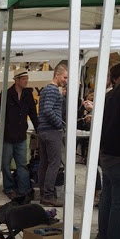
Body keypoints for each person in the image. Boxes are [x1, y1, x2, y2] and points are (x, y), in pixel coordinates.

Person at [0, 70, 38, 200]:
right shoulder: (7, 94)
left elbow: (32, 112)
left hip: (21, 134)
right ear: (16, 80)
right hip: (8, 135)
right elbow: (0, 115)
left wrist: (38, 128)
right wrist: (5, 128)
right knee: (5, 164)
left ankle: (23, 189)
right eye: (23, 79)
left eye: (27, 78)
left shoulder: (28, 94)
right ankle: (8, 188)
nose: (26, 81)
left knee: (22, 164)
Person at [98, 64, 120, 239]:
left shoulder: (109, 95)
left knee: (107, 198)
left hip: (107, 152)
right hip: (118, 153)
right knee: (118, 203)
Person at [37, 63, 68, 207]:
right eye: (65, 77)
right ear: (57, 75)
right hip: (51, 131)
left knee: (44, 163)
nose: (65, 80)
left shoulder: (46, 90)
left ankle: (44, 193)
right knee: (54, 164)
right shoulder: (53, 90)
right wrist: (59, 124)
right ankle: (48, 195)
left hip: (43, 130)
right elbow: (48, 110)